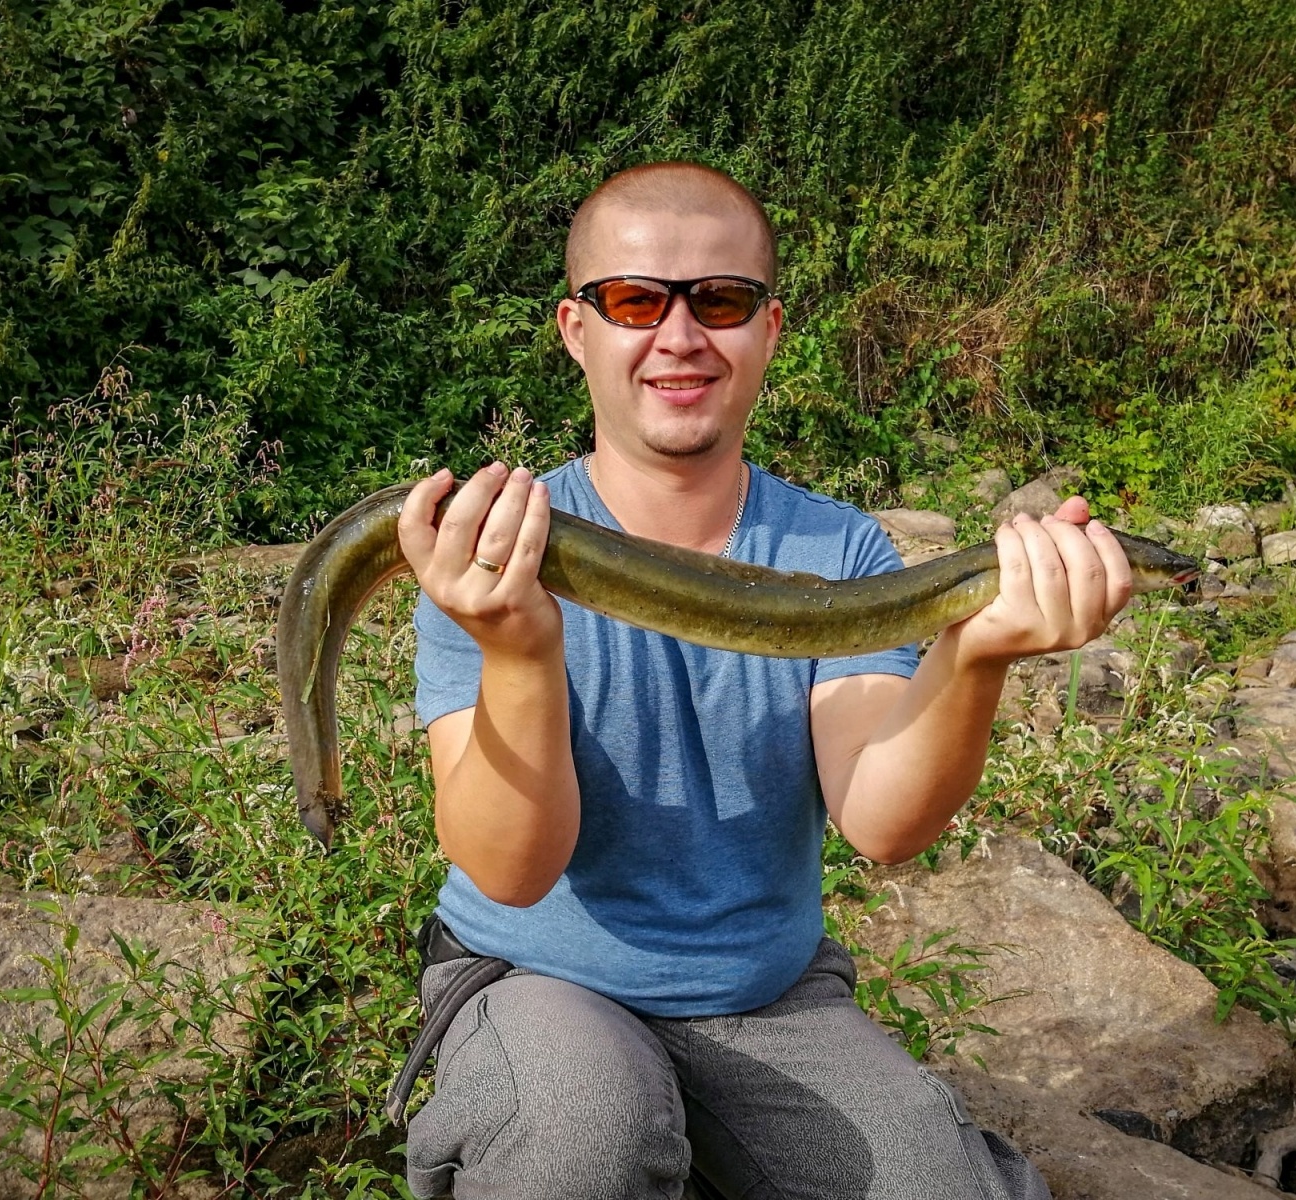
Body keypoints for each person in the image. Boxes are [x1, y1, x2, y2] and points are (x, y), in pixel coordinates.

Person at [392, 161, 1131, 1200]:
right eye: (637, 300)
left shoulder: (844, 554)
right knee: (577, 1129)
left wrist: (975, 650)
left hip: (765, 994)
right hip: (536, 977)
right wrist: (520, 648)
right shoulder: (492, 551)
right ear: (575, 330)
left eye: (722, 301)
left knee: (937, 1186)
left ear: (769, 331)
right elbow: (509, 870)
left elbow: (880, 820)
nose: (681, 336)